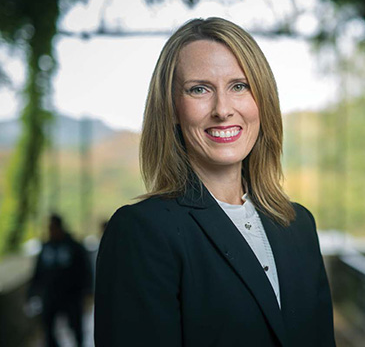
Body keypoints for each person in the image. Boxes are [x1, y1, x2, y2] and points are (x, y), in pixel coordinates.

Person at [94, 17, 336, 346]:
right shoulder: (140, 233)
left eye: (239, 86)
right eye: (199, 89)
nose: (222, 109)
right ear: (172, 109)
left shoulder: (298, 225)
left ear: (261, 100)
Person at [29, 213, 91, 347]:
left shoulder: (74, 247)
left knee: (75, 327)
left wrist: (87, 291)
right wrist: (32, 293)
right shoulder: (46, 247)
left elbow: (85, 270)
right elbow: (38, 272)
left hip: (71, 296)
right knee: (48, 328)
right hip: (50, 296)